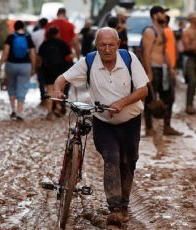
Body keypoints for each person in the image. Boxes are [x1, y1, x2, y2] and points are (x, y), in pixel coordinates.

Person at [51, 27, 149, 225]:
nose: (107, 49)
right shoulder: (89, 61)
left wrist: (122, 102)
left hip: (131, 121)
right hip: (103, 123)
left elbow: (143, 90)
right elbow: (62, 78)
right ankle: (115, 208)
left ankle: (125, 203)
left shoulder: (129, 59)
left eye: (111, 45)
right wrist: (57, 89)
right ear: (96, 45)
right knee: (111, 157)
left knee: (129, 160)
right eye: (102, 45)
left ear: (118, 44)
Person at [141, 6, 182, 136]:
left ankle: (167, 126)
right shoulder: (149, 31)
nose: (164, 15)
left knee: (169, 98)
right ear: (155, 15)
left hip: (163, 68)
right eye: (162, 13)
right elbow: (146, 53)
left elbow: (164, 51)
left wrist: (170, 68)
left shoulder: (162, 31)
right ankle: (149, 128)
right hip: (154, 67)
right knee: (150, 100)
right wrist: (149, 72)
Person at [0, 20, 36, 121]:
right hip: (25, 65)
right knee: (22, 87)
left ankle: (13, 110)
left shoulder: (11, 37)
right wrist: (34, 67)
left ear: (14, 27)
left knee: (11, 86)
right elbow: (32, 54)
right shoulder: (28, 37)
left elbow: (5, 52)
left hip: (11, 65)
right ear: (23, 27)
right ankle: (20, 112)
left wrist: (0, 65)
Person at [38, 27, 72, 120]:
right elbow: (69, 56)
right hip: (60, 69)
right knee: (59, 91)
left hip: (47, 70)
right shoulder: (62, 43)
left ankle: (49, 112)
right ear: (57, 34)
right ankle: (58, 108)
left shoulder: (44, 44)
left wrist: (38, 68)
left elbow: (39, 59)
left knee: (49, 91)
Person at [182, 12, 196, 114]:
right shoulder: (186, 32)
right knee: (192, 81)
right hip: (190, 58)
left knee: (195, 83)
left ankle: (191, 104)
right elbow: (187, 47)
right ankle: (188, 105)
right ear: (191, 19)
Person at [31, 18, 48, 104]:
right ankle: (50, 96)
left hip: (38, 57)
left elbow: (32, 49)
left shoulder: (34, 34)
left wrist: (33, 62)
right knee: (49, 78)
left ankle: (42, 96)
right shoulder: (48, 33)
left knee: (40, 77)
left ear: (39, 24)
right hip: (49, 58)